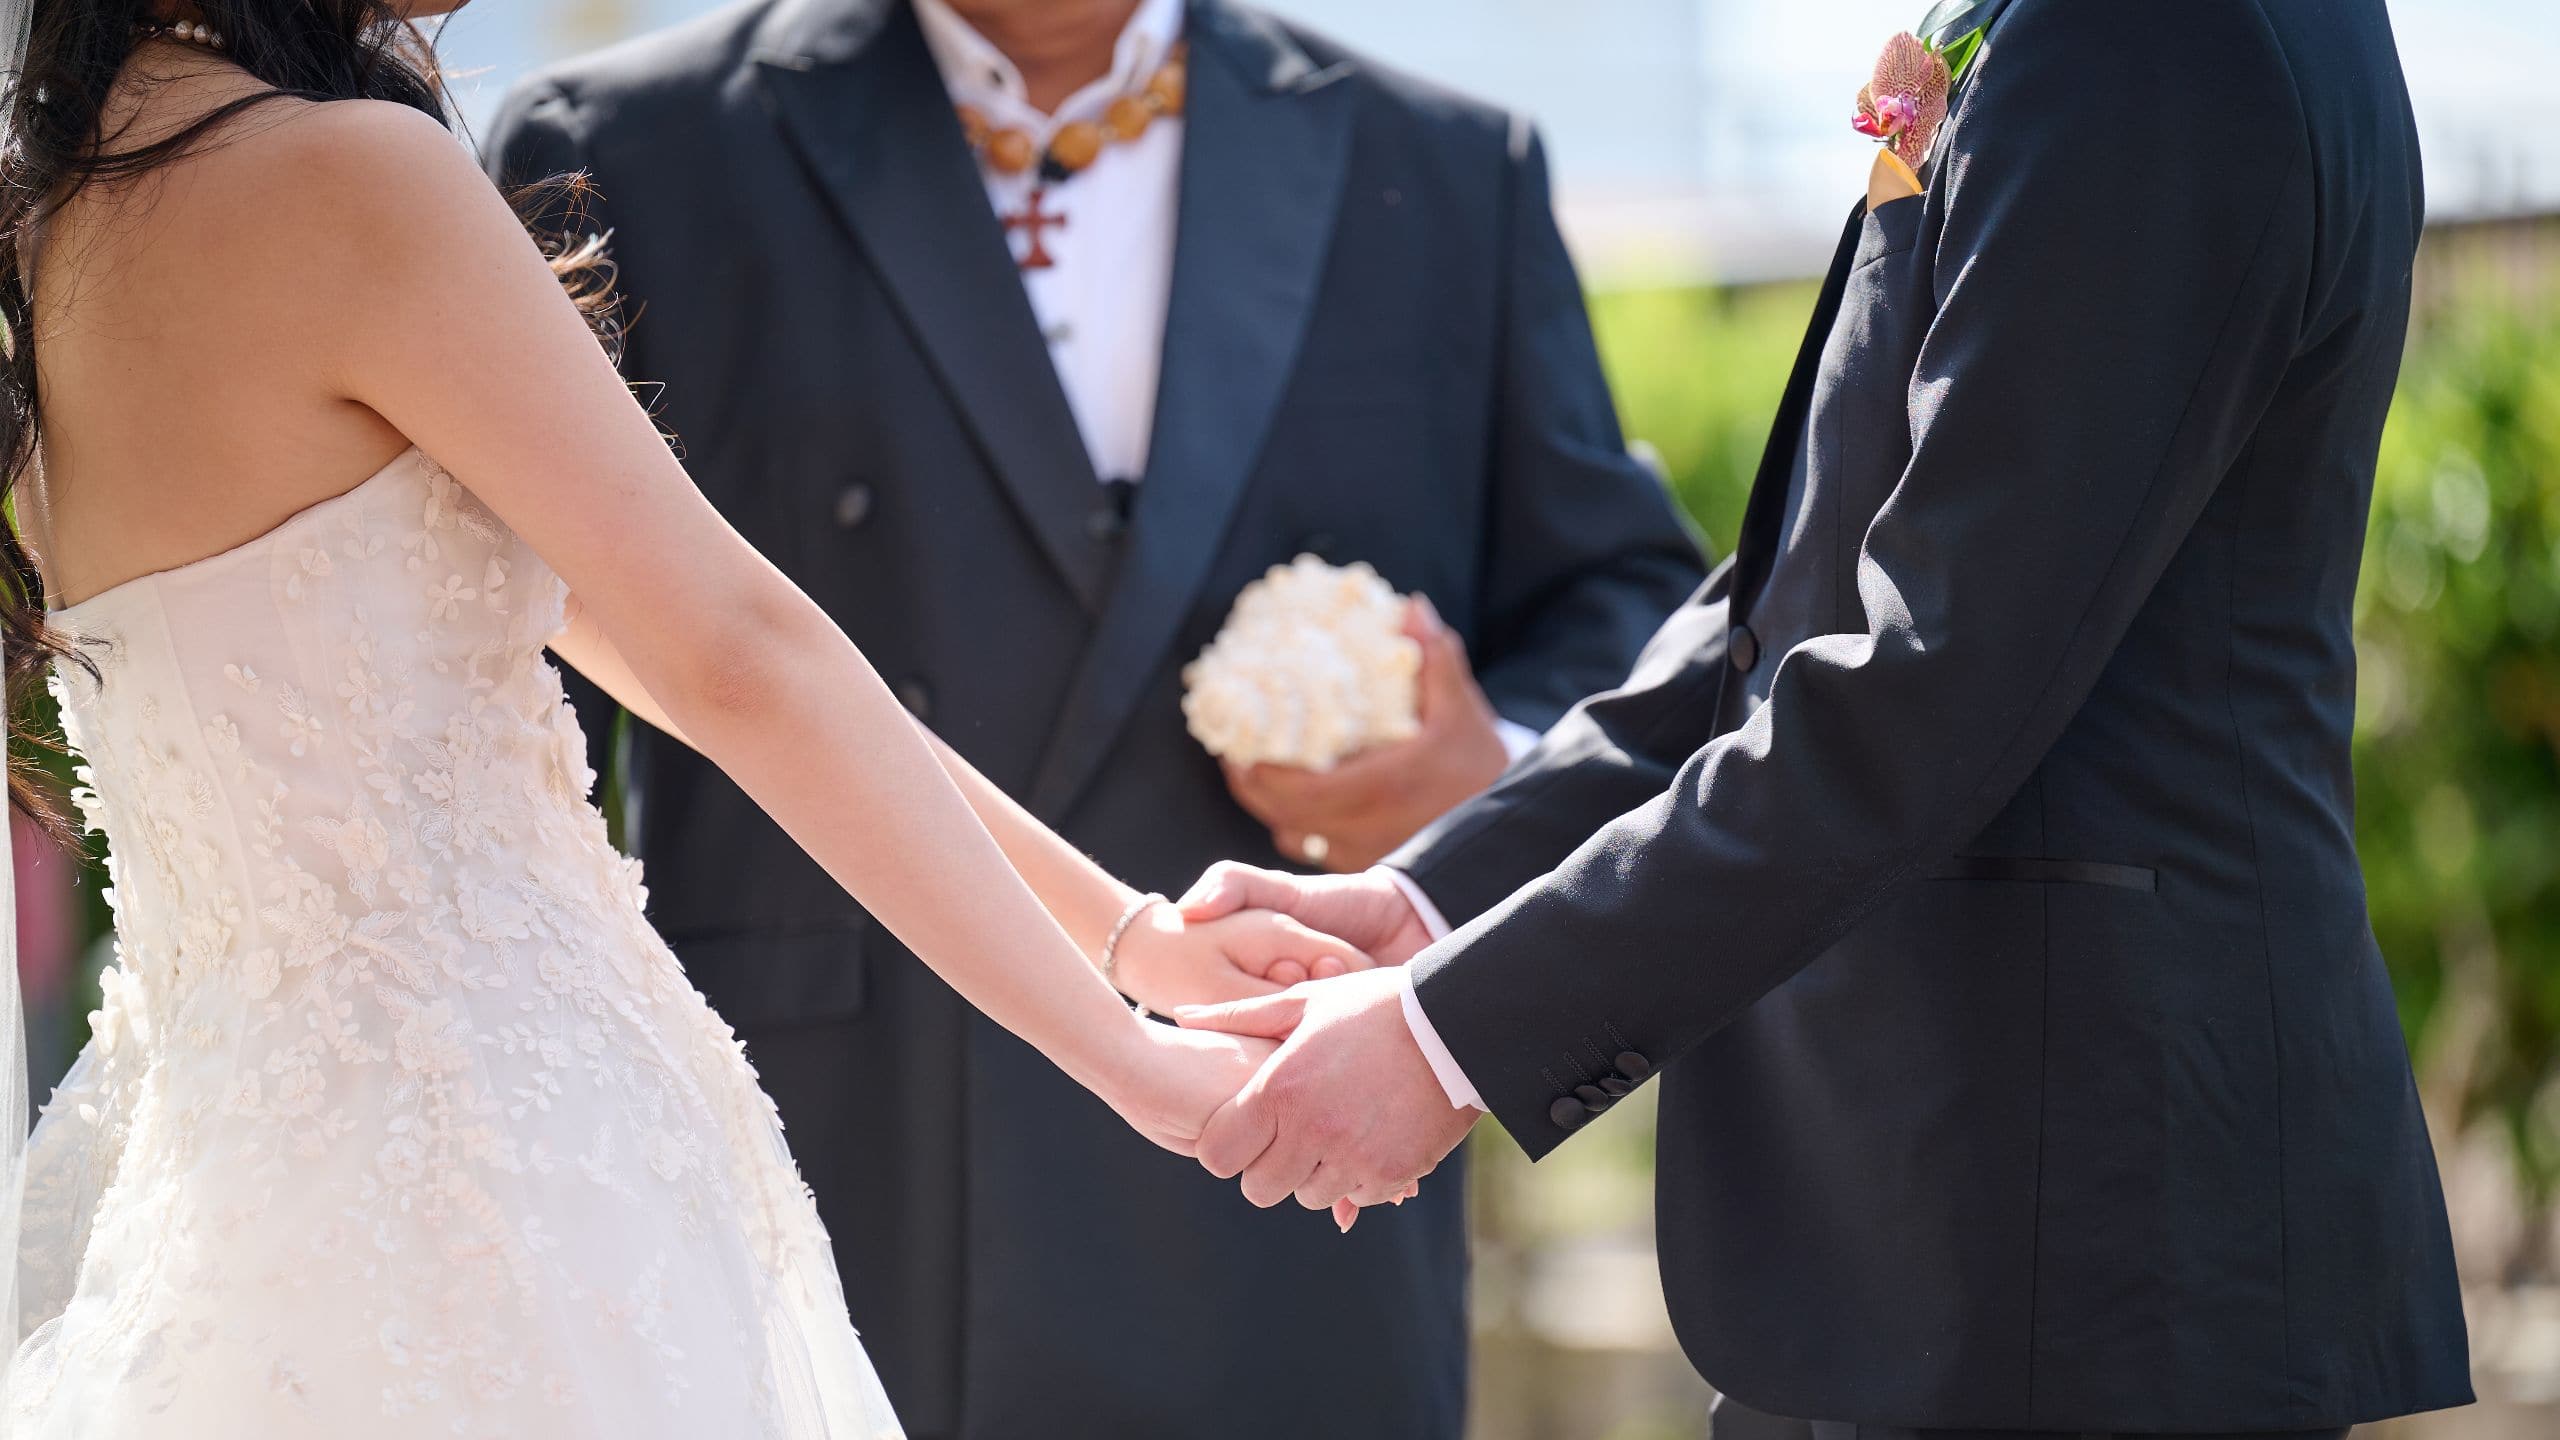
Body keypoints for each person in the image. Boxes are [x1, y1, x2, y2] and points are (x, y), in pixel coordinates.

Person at [0, 3, 1363, 1433]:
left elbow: (682, 657)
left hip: (240, 1202)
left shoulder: (72, 217)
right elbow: (738, 655)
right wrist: (1131, 1060)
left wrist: (1131, 941)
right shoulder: (341, 178)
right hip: (507, 1184)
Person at [1178, 0, 2476, 1437]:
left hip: (2084, 1255)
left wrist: (1450, 1038)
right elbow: (1809, 581)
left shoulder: (2151, 36)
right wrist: (1438, 906)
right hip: (1967, 1243)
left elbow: (1929, 675)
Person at [487, 0, 1704, 1433]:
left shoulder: (1440, 166)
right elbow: (486, 675)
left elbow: (1628, 614)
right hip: (828, 1149)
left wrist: (1477, 771)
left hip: (1278, 1155)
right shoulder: (620, 154)